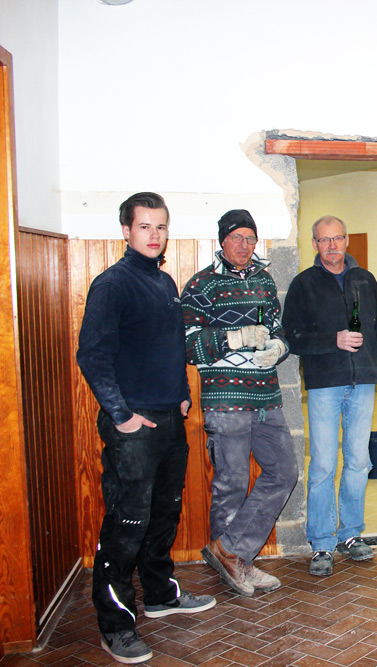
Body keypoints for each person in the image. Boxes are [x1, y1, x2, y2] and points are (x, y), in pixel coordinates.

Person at [77, 192, 216, 664]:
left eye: (160, 227)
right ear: (126, 230)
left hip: (169, 420)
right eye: (144, 227)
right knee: (126, 526)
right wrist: (121, 415)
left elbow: (169, 346)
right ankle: (115, 626)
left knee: (163, 515)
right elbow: (92, 356)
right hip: (132, 427)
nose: (154, 236)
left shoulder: (163, 282)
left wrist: (181, 393)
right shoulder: (112, 284)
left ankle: (159, 595)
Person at [181, 209, 297, 597]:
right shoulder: (202, 284)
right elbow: (187, 345)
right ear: (222, 240)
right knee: (230, 485)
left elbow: (278, 329)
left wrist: (278, 348)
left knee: (284, 471)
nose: (244, 246)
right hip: (226, 399)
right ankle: (237, 566)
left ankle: (232, 552)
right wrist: (235, 338)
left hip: (266, 397)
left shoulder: (264, 280)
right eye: (236, 238)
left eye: (250, 238)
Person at [282, 215, 377, 576]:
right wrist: (334, 340)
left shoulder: (366, 280)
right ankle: (321, 542)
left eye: (337, 238)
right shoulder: (304, 284)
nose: (331, 246)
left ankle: (351, 534)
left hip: (363, 384)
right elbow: (292, 337)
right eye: (324, 240)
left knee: (359, 462)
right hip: (325, 385)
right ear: (314, 244)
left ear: (347, 240)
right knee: (324, 465)